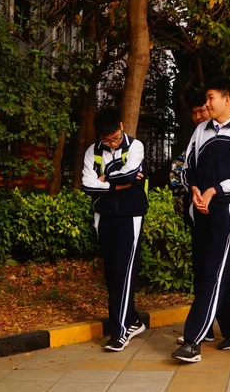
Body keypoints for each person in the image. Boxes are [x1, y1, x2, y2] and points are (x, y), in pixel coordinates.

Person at [172, 78, 230, 362]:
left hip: (227, 209)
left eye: (210, 99)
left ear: (226, 99)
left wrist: (213, 190)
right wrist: (195, 190)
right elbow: (188, 167)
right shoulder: (201, 131)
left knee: (216, 272)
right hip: (202, 210)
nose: (206, 105)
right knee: (209, 271)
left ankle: (193, 340)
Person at [82, 108, 148, 351]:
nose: (112, 143)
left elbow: (130, 174)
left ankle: (119, 332)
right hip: (104, 216)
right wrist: (115, 185)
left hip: (131, 215)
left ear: (122, 126)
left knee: (125, 271)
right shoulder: (92, 151)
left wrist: (103, 179)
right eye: (106, 139)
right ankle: (132, 320)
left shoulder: (136, 146)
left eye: (116, 137)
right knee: (111, 272)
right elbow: (86, 186)